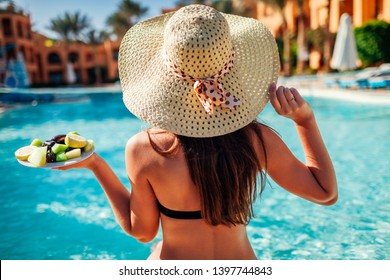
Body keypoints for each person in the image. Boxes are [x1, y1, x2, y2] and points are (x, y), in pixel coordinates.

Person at [56, 4, 337, 260]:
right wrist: (305, 121)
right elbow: (326, 194)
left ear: (164, 75)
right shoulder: (257, 140)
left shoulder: (146, 149)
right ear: (232, 66)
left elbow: (142, 232)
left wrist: (95, 164)